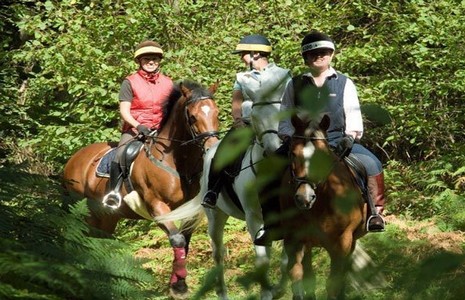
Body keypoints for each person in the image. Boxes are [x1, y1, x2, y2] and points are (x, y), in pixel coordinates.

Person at [278, 31, 386, 232]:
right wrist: (287, 135)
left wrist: (351, 136)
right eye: (313, 53)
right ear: (306, 58)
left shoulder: (344, 82)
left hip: (337, 140)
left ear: (331, 54)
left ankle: (374, 213)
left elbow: (352, 112)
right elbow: (285, 114)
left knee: (372, 163)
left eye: (324, 52)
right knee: (271, 167)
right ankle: (272, 220)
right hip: (300, 142)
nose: (319, 56)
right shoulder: (294, 84)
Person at [201, 34, 291, 216]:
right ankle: (212, 191)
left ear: (255, 54)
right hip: (248, 125)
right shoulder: (242, 77)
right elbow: (236, 102)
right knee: (220, 153)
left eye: (243, 54)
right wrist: (237, 120)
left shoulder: (283, 75)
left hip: (277, 126)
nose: (241, 57)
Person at [102, 40, 174, 208]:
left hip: (161, 129)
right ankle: (114, 192)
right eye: (147, 58)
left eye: (155, 59)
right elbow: (124, 110)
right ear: (139, 61)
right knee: (121, 154)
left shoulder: (168, 82)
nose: (151, 62)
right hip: (136, 129)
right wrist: (138, 125)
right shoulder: (130, 82)